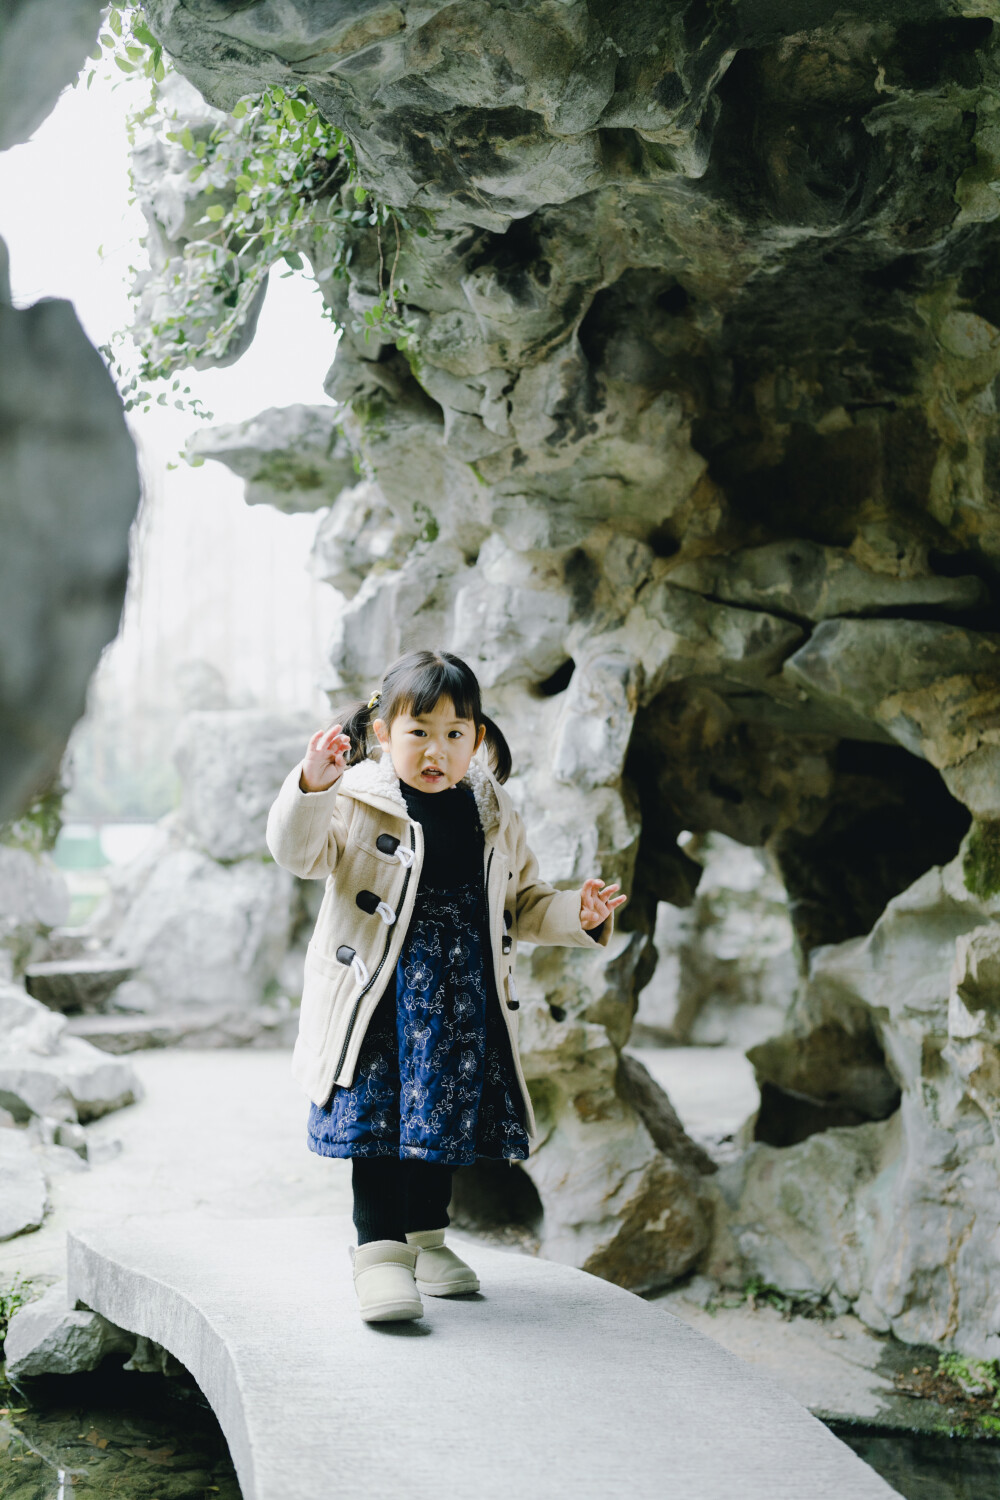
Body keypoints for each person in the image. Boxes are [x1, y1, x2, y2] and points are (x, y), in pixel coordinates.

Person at [265, 649, 627, 1324]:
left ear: (477, 740)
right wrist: (312, 786)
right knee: (377, 1126)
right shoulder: (358, 799)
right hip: (376, 999)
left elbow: (522, 900)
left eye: (454, 734)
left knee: (440, 1118)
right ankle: (378, 1253)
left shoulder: (491, 810)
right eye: (419, 733)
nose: (437, 750)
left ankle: (428, 1240)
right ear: (383, 736)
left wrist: (576, 912)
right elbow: (300, 853)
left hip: (459, 1001)